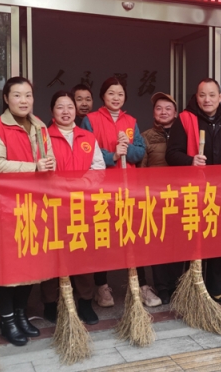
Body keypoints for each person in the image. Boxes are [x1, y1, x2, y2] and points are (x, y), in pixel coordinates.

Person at [0, 76, 55, 346]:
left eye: (28, 95)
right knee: (8, 267)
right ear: (6, 98)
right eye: (17, 95)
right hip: (6, 206)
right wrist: (34, 167)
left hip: (35, 205)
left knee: (30, 263)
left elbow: (50, 158)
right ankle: (7, 319)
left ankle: (22, 314)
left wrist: (49, 165)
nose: (24, 101)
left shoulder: (40, 126)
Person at [166, 78, 221, 307]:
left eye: (212, 95)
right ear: (196, 97)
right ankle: (190, 289)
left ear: (220, 97)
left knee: (219, 242)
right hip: (194, 193)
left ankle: (216, 290)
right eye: (202, 95)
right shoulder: (185, 119)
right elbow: (171, 154)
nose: (207, 99)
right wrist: (190, 160)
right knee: (192, 242)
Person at [81, 77, 157, 307]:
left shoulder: (130, 121)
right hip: (102, 188)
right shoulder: (90, 120)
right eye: (111, 93)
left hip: (127, 187)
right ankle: (101, 286)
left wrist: (128, 147)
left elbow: (140, 153)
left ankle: (141, 285)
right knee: (102, 236)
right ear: (102, 96)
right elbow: (86, 152)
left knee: (133, 235)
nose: (116, 98)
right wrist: (113, 155)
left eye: (120, 94)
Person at [45, 90, 104, 325]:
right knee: (52, 256)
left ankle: (85, 302)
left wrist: (82, 185)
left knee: (83, 255)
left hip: (82, 205)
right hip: (53, 206)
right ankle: (51, 304)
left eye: (70, 107)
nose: (66, 111)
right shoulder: (43, 137)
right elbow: (41, 172)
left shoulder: (87, 136)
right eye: (60, 107)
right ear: (52, 111)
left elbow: (98, 168)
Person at [140, 92, 185, 305]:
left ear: (175, 113)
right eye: (159, 108)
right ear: (153, 113)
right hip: (156, 199)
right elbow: (141, 170)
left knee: (179, 241)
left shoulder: (185, 134)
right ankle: (162, 287)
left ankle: (177, 285)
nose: (163, 112)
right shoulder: (145, 136)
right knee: (158, 243)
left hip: (182, 197)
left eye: (168, 108)